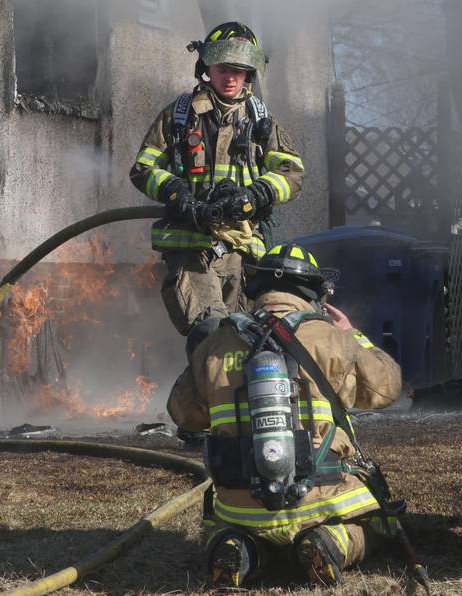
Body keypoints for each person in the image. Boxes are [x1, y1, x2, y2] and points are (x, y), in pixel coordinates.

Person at [166, 243, 404, 587]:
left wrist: (209, 363)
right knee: (380, 522)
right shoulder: (333, 339)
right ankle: (330, 542)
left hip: (241, 505)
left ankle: (237, 546)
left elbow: (182, 413)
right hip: (321, 497)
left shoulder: (219, 341)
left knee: (236, 528)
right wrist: (354, 336)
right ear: (312, 291)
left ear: (257, 288)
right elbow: (388, 387)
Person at [129, 22, 305, 340]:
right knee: (211, 333)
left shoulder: (261, 121)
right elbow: (144, 168)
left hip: (243, 250)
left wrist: (257, 193)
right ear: (207, 67)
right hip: (190, 245)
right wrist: (175, 191)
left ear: (249, 73)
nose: (231, 77)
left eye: (239, 70)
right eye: (224, 68)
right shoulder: (179, 117)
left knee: (246, 339)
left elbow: (292, 172)